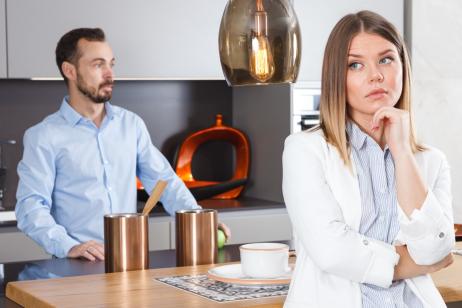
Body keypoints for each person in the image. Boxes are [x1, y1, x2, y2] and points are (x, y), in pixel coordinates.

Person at [282, 11, 454, 308]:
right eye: (355, 65)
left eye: (386, 59)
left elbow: (438, 248)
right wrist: (414, 262)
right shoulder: (304, 150)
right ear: (338, 76)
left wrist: (401, 152)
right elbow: (332, 251)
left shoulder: (431, 161)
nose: (375, 75)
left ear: (402, 67)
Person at [15, 28, 230, 261]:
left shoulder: (131, 124)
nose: (110, 74)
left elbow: (163, 182)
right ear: (70, 71)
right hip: (77, 264)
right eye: (98, 65)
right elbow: (30, 208)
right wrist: (67, 246)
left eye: (111, 64)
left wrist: (198, 218)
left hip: (130, 260)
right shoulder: (44, 136)